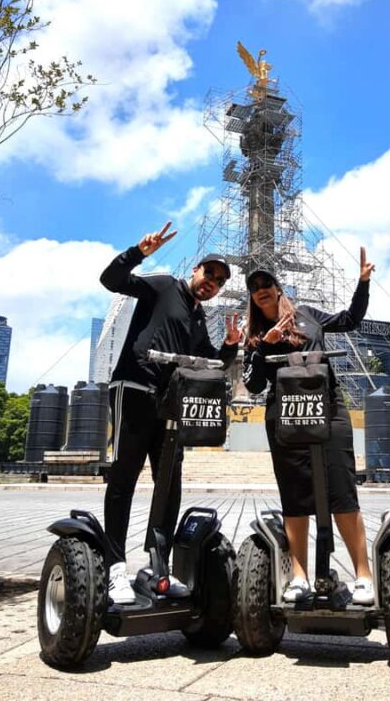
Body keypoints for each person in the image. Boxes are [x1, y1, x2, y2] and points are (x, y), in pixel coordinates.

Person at [100, 222, 240, 603]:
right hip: (132, 388)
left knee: (169, 486)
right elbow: (111, 279)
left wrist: (229, 347)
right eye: (208, 272)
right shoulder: (162, 286)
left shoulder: (197, 318)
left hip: (168, 404)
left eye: (219, 281)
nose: (211, 281)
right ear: (195, 270)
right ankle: (115, 568)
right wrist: (138, 252)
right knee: (124, 478)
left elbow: (208, 362)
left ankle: (156, 566)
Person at [242, 248, 375, 604]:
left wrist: (362, 283)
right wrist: (263, 347)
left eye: (266, 282)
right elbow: (253, 385)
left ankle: (363, 574)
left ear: (278, 287)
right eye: (254, 287)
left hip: (327, 407)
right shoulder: (254, 335)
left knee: (342, 490)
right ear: (252, 298)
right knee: (296, 496)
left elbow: (349, 320)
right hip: (284, 415)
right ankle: (298, 575)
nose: (261, 289)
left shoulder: (307, 315)